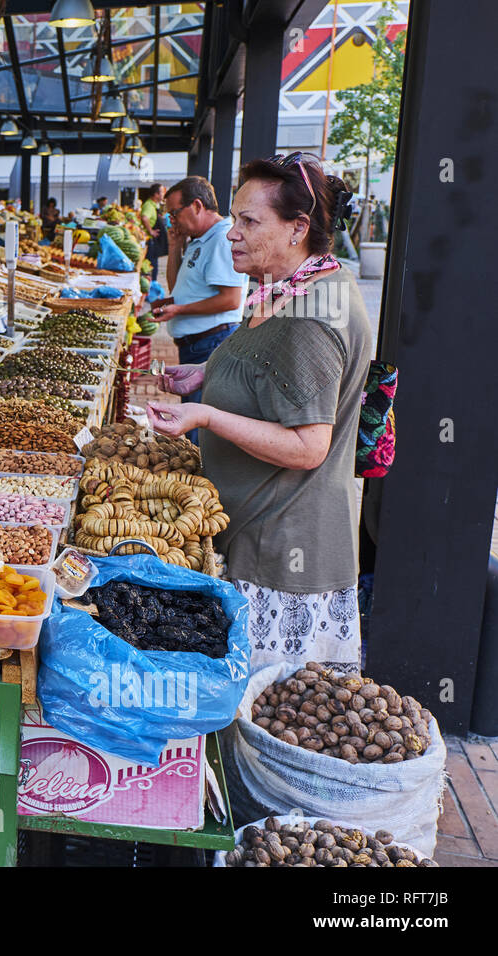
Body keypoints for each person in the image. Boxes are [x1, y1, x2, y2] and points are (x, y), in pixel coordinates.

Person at [149, 154, 369, 671]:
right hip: (257, 529)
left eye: (249, 222)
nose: (232, 235)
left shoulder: (311, 317)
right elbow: (271, 374)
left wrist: (206, 417)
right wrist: (209, 373)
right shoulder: (293, 288)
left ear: (298, 227)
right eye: (236, 218)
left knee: (262, 714)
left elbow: (309, 445)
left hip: (281, 551)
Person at [149, 176, 249, 434]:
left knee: (198, 427)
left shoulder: (221, 239)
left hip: (210, 344)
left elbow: (231, 300)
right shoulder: (199, 239)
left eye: (174, 212)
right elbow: (175, 287)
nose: (172, 220)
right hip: (195, 345)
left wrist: (179, 310)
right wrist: (174, 247)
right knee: (193, 421)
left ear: (196, 205)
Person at [139, 184, 168, 281]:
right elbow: (144, 217)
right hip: (149, 241)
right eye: (162, 192)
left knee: (154, 266)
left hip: (153, 241)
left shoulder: (154, 205)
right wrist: (151, 231)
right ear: (156, 194)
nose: (164, 194)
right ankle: (150, 289)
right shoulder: (149, 205)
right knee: (151, 267)